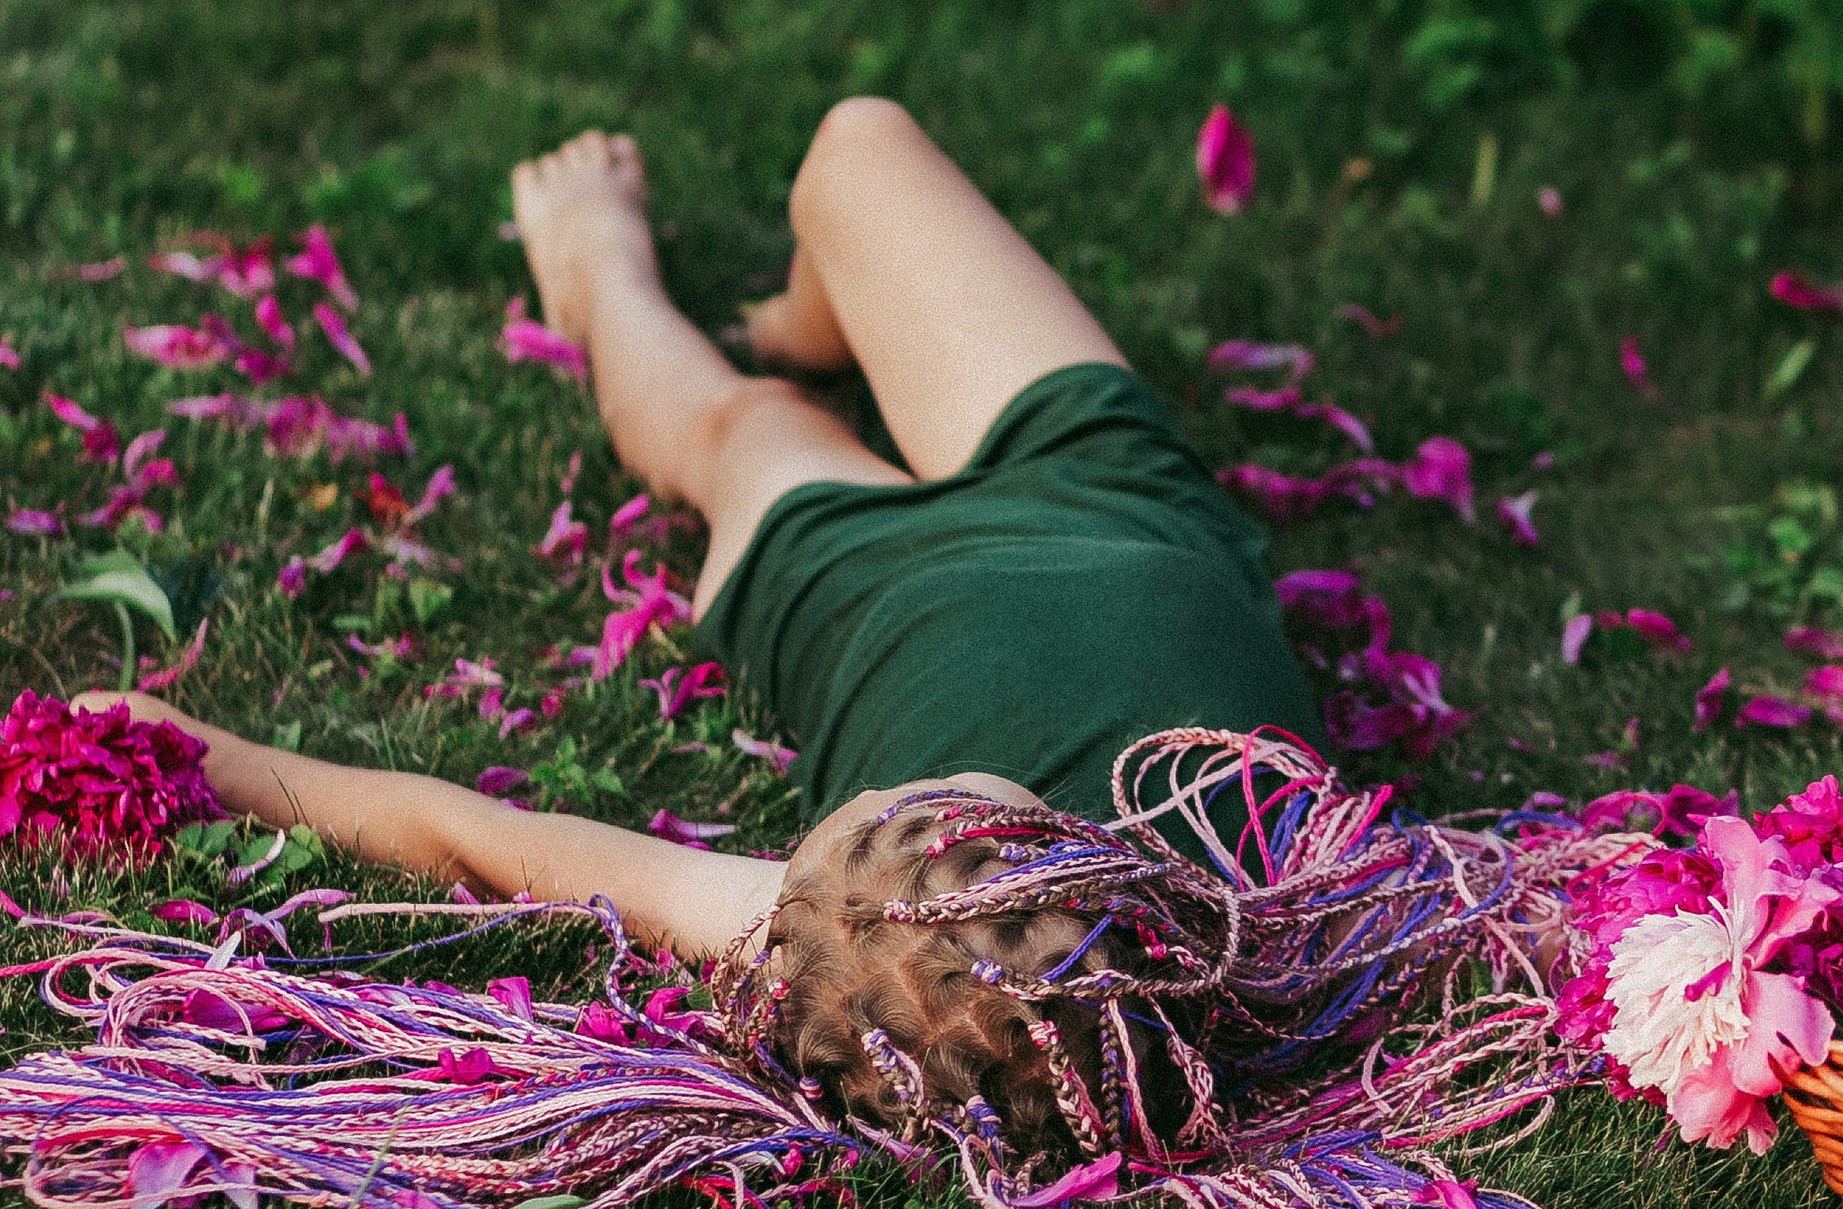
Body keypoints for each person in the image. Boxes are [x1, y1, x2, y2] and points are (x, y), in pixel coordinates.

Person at [91, 104, 1338, 1144]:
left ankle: (602, 280)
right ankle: (806, 323)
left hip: (853, 575)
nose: (860, 810)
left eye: (857, 823)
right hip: (1110, 487)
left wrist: (186, 750)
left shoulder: (838, 939)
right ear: (1081, 868)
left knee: (734, 426)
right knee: (859, 144)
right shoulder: (1191, 928)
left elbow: (476, 836)